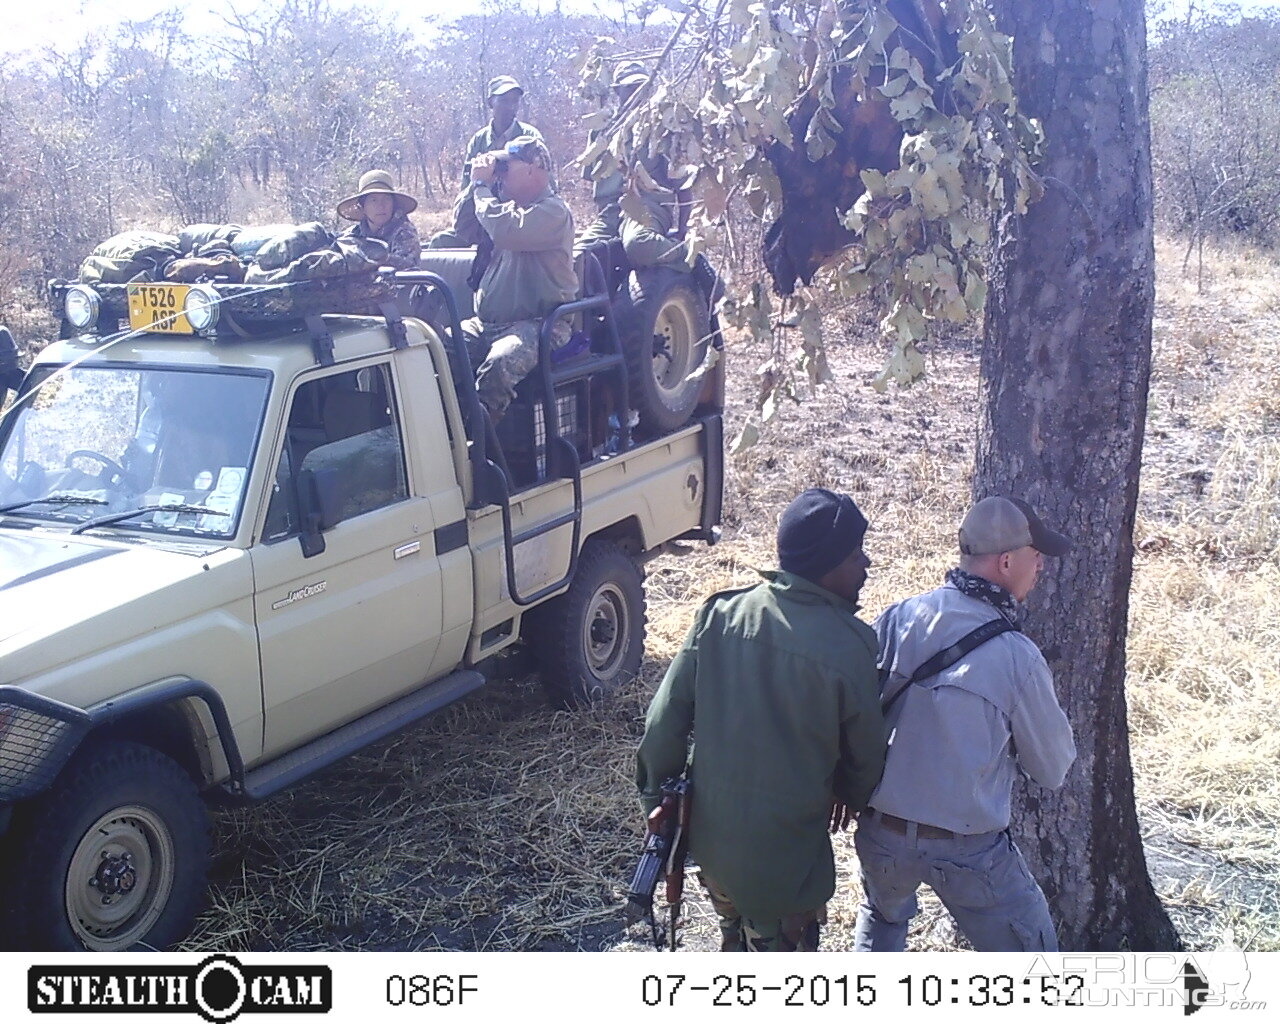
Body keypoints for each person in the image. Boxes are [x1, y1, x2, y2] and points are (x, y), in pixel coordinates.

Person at [637, 488, 887, 951]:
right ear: (827, 565)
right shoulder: (850, 646)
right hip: (786, 864)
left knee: (733, 938)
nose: (866, 565)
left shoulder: (720, 615)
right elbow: (867, 756)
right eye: (856, 555)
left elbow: (662, 726)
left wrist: (658, 804)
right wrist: (849, 794)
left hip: (713, 850)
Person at [853, 495, 1078, 952]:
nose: (1040, 569)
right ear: (1007, 560)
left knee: (882, 920)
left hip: (882, 836)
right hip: (969, 850)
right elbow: (1053, 770)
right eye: (1036, 558)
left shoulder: (899, 618)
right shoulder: (1018, 657)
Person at [459, 136, 576, 423]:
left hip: (539, 324)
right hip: (485, 324)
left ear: (533, 169)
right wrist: (475, 186)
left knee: (500, 364)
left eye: (506, 168)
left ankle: (482, 443)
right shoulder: (502, 207)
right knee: (436, 347)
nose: (500, 175)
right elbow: (462, 226)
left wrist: (481, 187)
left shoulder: (553, 211)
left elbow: (505, 231)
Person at [428, 76, 548, 249]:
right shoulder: (479, 141)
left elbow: (543, 184)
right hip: (483, 218)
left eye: (515, 101)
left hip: (518, 220)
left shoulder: (530, 137)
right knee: (441, 242)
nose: (511, 107)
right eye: (504, 101)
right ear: (491, 103)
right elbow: (466, 193)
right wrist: (480, 181)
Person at [574, 60, 649, 255]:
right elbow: (593, 179)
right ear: (618, 92)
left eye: (641, 87)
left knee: (638, 246)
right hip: (610, 214)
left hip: (646, 211)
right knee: (578, 257)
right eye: (630, 88)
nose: (636, 93)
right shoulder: (602, 129)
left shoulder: (656, 127)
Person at [336, 170, 422, 271]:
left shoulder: (405, 232)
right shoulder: (353, 234)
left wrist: (381, 258)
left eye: (386, 199)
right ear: (362, 207)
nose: (381, 206)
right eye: (373, 200)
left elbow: (408, 267)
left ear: (393, 204)